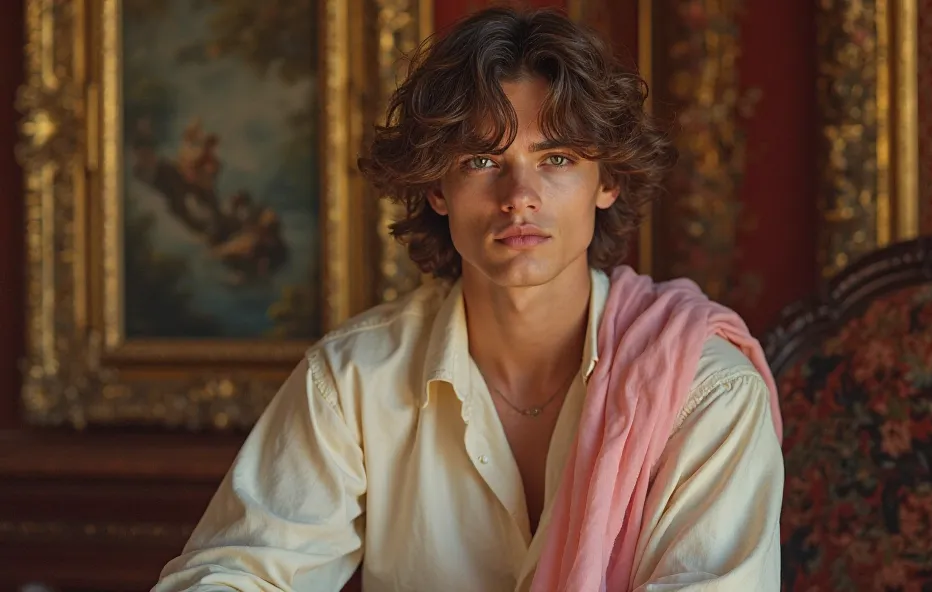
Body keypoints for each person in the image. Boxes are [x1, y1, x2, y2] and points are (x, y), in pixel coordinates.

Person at [153, 7, 784, 592]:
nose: (519, 195)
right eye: (483, 159)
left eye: (556, 157)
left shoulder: (704, 392)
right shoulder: (355, 379)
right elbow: (233, 572)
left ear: (608, 180)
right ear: (437, 188)